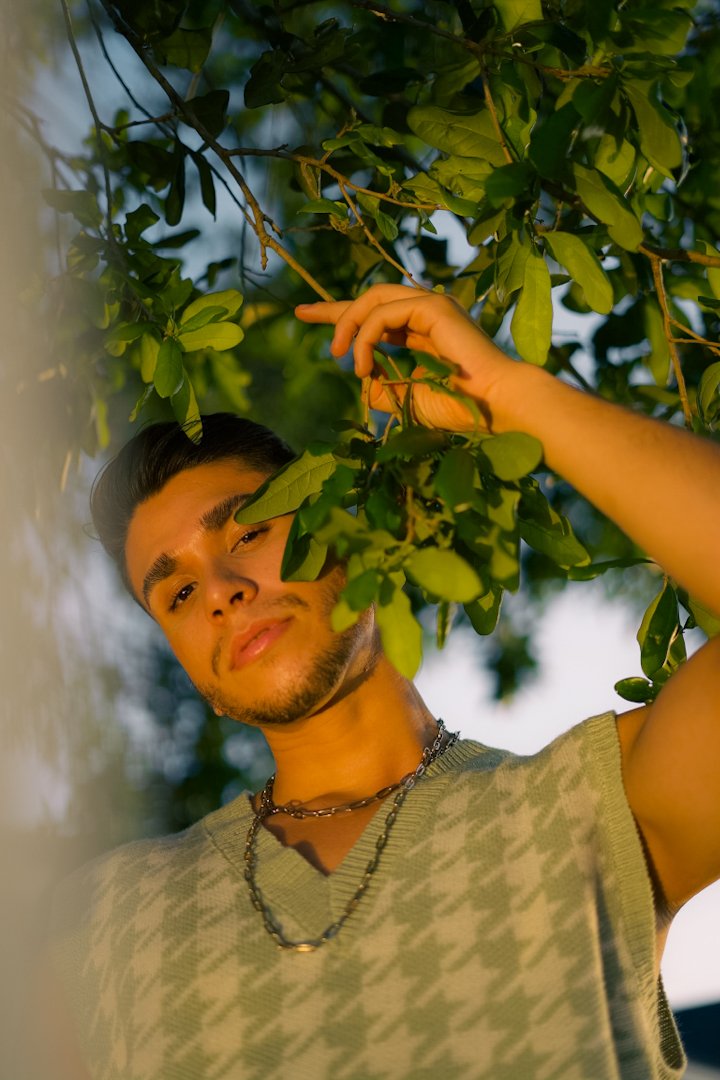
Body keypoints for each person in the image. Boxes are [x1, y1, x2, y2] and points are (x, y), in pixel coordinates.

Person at [45, 285, 720, 1079]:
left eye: (250, 531)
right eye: (180, 593)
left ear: (349, 528)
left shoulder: (592, 807)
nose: (220, 589)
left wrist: (511, 399)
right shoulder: (98, 923)